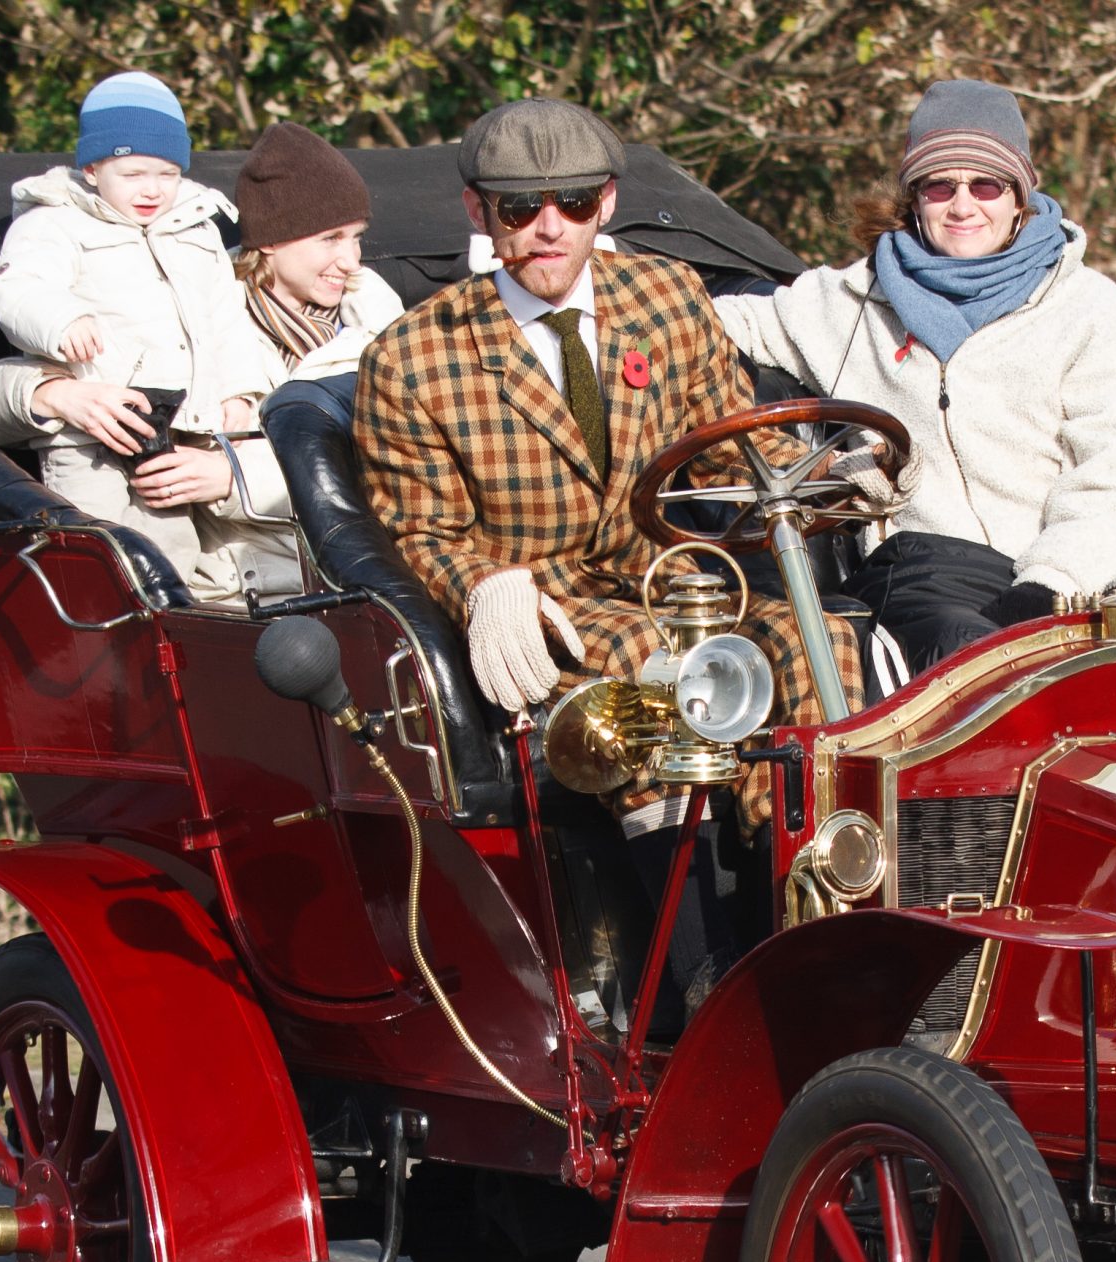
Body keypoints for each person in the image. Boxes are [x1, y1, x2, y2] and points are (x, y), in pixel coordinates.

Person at [351, 97, 862, 1016]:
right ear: (478, 214)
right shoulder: (414, 357)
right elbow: (420, 527)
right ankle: (703, 985)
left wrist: (829, 479)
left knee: (820, 643)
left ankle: (829, 920)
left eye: (575, 203)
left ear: (607, 203)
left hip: (674, 583)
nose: (550, 228)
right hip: (545, 609)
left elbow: (728, 446)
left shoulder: (663, 297)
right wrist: (484, 589)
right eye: (519, 209)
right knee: (651, 675)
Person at [713, 78, 1116, 672]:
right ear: (915, 197)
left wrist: (1051, 584)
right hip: (931, 570)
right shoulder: (847, 302)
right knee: (967, 661)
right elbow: (719, 320)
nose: (963, 205)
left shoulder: (1099, 316)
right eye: (941, 185)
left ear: (1019, 195)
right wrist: (597, 277)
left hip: (1085, 572)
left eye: (986, 185)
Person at [0, 120, 404, 603]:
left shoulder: (387, 328)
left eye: (356, 237)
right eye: (331, 239)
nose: (351, 260)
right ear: (272, 240)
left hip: (370, 584)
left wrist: (231, 477)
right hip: (240, 593)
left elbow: (393, 466)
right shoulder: (194, 312)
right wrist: (55, 394)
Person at [0, 72, 269, 597]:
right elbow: (19, 287)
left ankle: (172, 642)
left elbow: (224, 319)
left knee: (175, 555)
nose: (153, 189)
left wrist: (239, 390)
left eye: (167, 172)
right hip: (93, 432)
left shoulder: (196, 226)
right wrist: (62, 321)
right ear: (92, 169)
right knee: (105, 554)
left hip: (182, 424)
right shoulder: (54, 222)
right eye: (133, 172)